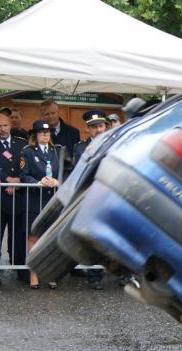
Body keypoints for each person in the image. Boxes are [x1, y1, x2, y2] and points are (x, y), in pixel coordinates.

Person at [0, 110, 28, 285]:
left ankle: (20, 268)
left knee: (18, 235)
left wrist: (18, 180)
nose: (2, 129)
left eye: (5, 125)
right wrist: (6, 180)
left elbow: (27, 165)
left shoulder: (22, 143)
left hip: (18, 196)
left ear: (10, 125)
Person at [18, 119, 61, 289]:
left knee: (50, 239)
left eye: (48, 132)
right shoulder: (27, 152)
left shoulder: (57, 151)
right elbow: (23, 175)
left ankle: (51, 274)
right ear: (35, 135)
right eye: (42, 132)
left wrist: (58, 180)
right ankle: (34, 274)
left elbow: (64, 172)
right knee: (34, 238)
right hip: (35, 199)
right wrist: (39, 181)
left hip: (52, 200)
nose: (45, 134)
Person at [70, 109, 109, 290]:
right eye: (94, 127)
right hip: (89, 195)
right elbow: (78, 172)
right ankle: (93, 275)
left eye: (101, 125)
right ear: (88, 129)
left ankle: (115, 273)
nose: (98, 130)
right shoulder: (79, 147)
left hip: (109, 195)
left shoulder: (115, 144)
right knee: (90, 236)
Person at [39, 99, 80, 173]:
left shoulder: (73, 132)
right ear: (42, 116)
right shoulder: (37, 134)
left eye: (53, 113)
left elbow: (77, 157)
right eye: (47, 114)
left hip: (67, 176)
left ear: (58, 113)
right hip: (46, 177)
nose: (50, 116)